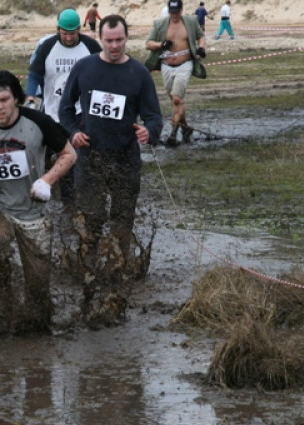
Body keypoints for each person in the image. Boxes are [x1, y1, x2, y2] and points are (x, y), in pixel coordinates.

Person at [0, 70, 76, 333]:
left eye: (4, 100)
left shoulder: (39, 122)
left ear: (16, 99)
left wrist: (47, 180)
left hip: (33, 210)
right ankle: (5, 301)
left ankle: (36, 323)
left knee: (38, 288)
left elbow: (69, 154)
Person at [58, 15, 162, 277]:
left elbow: (154, 117)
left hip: (125, 158)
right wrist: (74, 133)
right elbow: (65, 110)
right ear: (99, 39)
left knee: (122, 218)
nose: (114, 46)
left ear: (127, 38)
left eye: (119, 40)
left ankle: (117, 271)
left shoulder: (139, 73)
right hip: (90, 157)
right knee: (90, 217)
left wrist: (148, 131)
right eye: (109, 41)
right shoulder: (84, 68)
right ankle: (87, 270)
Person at [25, 8, 101, 209]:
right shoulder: (47, 46)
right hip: (52, 111)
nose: (68, 37)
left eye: (72, 33)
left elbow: (104, 72)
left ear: (79, 29)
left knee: (75, 157)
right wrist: (30, 95)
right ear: (58, 29)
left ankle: (72, 203)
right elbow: (34, 74)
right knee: (48, 155)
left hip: (79, 113)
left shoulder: (91, 46)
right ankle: (41, 191)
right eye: (64, 33)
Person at [145, 0, 206, 146]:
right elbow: (148, 43)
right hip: (166, 66)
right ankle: (186, 128)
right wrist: (161, 44)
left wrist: (201, 48)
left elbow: (201, 36)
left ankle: (173, 133)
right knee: (175, 101)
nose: (174, 15)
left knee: (177, 99)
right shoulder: (160, 24)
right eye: (172, 12)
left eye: (176, 11)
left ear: (181, 9)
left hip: (185, 65)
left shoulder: (190, 22)